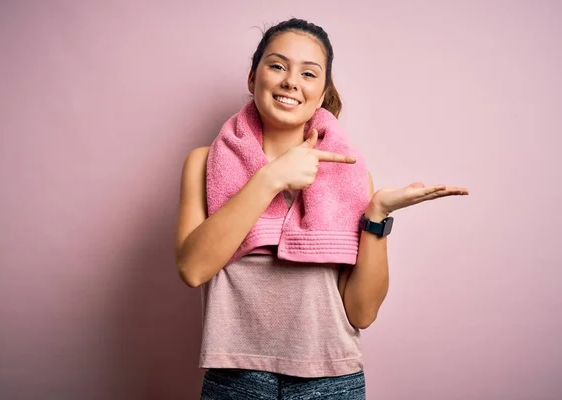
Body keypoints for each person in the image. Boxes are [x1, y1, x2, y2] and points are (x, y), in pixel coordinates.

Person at [174, 18, 469, 400]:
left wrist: (376, 216)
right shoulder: (205, 162)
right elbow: (193, 268)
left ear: (322, 91)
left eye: (308, 73)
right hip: (235, 378)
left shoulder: (351, 176)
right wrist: (270, 179)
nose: (291, 81)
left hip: (333, 380)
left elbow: (361, 313)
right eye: (277, 65)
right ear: (253, 78)